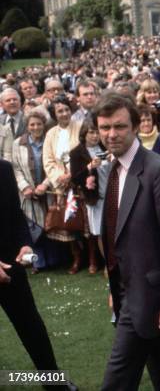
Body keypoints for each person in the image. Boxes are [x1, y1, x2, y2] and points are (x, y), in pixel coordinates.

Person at [93, 92, 160, 390]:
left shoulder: (158, 171)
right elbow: (120, 238)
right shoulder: (114, 168)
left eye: (119, 127)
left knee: (117, 379)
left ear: (136, 126)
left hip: (151, 298)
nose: (111, 134)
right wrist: (117, 287)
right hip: (130, 293)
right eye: (104, 128)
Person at [0, 159, 78, 391]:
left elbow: (15, 215)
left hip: (11, 264)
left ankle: (55, 383)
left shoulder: (4, 169)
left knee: (31, 326)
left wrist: (25, 244)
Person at [11, 111, 58, 272]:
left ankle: (53, 259)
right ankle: (37, 262)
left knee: (50, 224)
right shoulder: (18, 143)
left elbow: (55, 165)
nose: (36, 127)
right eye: (32, 124)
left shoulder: (50, 141)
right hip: (28, 192)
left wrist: (45, 185)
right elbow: (16, 168)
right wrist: (24, 186)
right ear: (27, 126)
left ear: (44, 125)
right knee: (33, 227)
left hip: (48, 191)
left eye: (39, 124)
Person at [42, 95, 83, 274]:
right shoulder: (51, 134)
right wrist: (60, 177)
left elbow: (85, 152)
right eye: (60, 111)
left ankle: (93, 258)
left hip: (80, 180)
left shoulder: (81, 126)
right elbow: (48, 160)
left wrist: (72, 175)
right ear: (55, 114)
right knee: (68, 223)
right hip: (62, 185)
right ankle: (76, 258)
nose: (64, 113)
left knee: (86, 222)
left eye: (66, 109)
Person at [69, 120, 107, 274]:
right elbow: (75, 178)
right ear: (84, 134)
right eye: (91, 132)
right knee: (100, 232)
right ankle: (108, 264)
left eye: (97, 132)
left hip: (112, 193)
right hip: (95, 198)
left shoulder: (106, 147)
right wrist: (89, 167)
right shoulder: (77, 152)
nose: (95, 136)